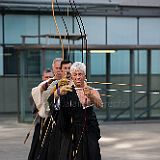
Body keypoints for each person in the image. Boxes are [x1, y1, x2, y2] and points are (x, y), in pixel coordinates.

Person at [47, 62, 103, 160]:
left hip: (89, 131)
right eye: (75, 74)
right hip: (72, 131)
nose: (78, 77)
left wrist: (90, 95)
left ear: (84, 75)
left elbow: (100, 104)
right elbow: (54, 105)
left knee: (92, 154)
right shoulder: (67, 90)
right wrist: (59, 93)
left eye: (80, 74)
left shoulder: (91, 90)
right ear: (72, 76)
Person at [28, 58, 62, 160]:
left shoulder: (62, 83)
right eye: (57, 68)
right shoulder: (42, 86)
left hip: (58, 124)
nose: (59, 70)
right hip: (43, 123)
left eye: (61, 68)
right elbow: (34, 98)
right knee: (39, 148)